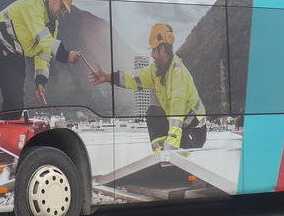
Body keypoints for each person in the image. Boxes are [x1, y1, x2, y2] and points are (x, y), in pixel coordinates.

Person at [88, 22, 207, 152]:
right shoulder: (156, 70)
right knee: (153, 113)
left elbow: (176, 115)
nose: (152, 55)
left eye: (153, 50)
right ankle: (159, 154)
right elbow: (133, 79)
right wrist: (108, 77)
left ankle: (166, 158)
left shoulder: (179, 75)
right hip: (180, 127)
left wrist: (169, 149)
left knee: (174, 146)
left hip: (194, 131)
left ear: (162, 50)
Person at [0, 0, 84, 112]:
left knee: (15, 101)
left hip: (14, 52)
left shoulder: (53, 25)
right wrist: (66, 55)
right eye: (61, 7)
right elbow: (43, 39)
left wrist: (40, 82)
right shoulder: (34, 5)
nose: (62, 13)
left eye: (65, 11)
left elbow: (44, 53)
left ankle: (8, 131)